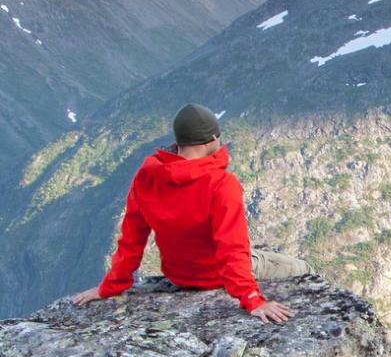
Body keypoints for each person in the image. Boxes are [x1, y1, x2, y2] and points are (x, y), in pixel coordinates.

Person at [71, 104, 294, 323]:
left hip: (177, 275)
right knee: (301, 268)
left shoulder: (148, 176)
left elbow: (131, 240)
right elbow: (232, 248)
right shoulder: (221, 184)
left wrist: (110, 286)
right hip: (215, 277)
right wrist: (253, 299)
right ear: (211, 140)